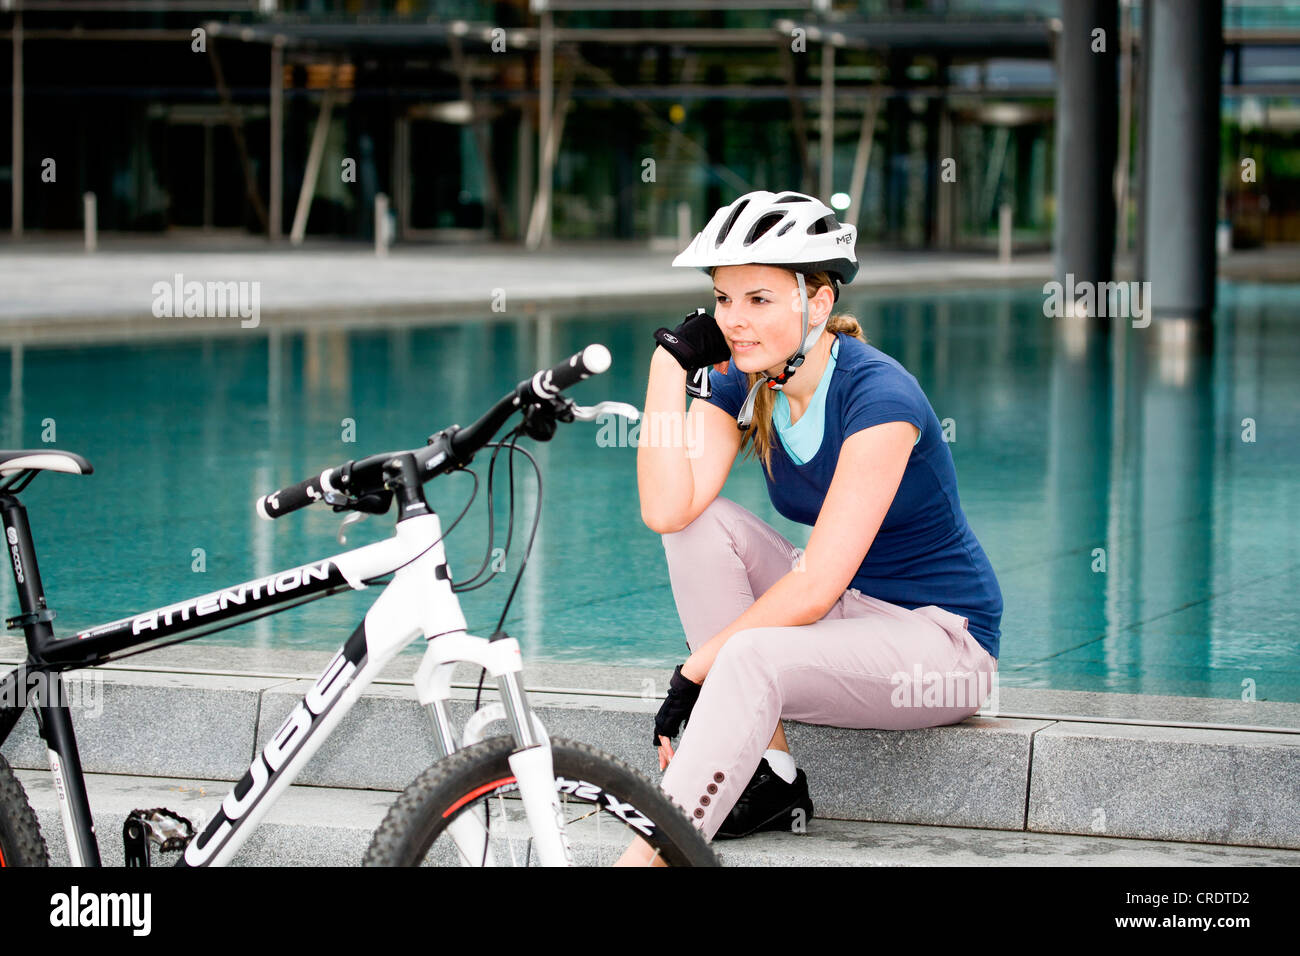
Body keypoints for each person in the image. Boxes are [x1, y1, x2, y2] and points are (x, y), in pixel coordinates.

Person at [613, 190, 1002, 867]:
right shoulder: (745, 377)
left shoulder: (880, 397)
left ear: (816, 303)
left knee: (749, 654)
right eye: (723, 299)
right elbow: (666, 510)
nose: (734, 321)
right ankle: (774, 779)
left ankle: (646, 860)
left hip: (943, 644)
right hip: (852, 620)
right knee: (699, 529)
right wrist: (666, 368)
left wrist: (692, 674)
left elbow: (817, 586)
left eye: (758, 299)